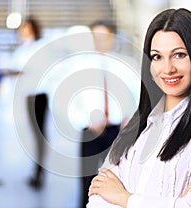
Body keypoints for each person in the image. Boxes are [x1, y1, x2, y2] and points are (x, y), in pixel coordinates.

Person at [87, 8, 191, 207]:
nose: (167, 69)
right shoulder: (138, 125)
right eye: (157, 57)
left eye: (179, 55)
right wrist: (174, 202)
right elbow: (98, 198)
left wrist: (124, 197)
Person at [78, 20, 140, 208]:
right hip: (90, 129)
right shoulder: (81, 65)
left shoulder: (124, 65)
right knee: (87, 179)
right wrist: (86, 120)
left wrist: (130, 119)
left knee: (116, 177)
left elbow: (136, 95)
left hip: (117, 130)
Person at [11, 17, 48, 189]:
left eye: (25, 28)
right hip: (29, 95)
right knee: (35, 134)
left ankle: (39, 172)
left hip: (38, 96)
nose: (22, 32)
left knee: (39, 135)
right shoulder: (22, 48)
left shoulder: (39, 47)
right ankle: (37, 170)